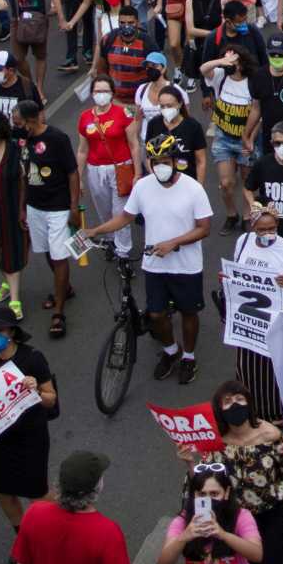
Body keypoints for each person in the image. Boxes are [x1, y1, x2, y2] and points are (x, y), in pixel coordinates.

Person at [81, 133, 214, 384]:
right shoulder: (142, 186)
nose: (159, 166)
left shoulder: (193, 189)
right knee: (156, 314)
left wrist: (173, 243)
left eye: (164, 160)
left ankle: (188, 357)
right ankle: (170, 351)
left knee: (188, 313)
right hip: (154, 264)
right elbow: (126, 217)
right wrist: (97, 231)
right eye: (154, 161)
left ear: (175, 161)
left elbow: (204, 228)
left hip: (186, 266)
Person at [0, 304, 58, 535]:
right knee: (3, 490)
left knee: (36, 491)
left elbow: (51, 399)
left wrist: (36, 391)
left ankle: (59, 528)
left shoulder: (32, 359)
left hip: (30, 436)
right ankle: (24, 536)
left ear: (11, 332)